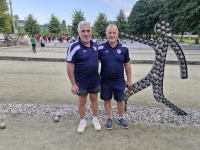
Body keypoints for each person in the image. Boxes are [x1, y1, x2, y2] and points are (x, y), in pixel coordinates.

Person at [66, 21, 101, 134]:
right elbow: (69, 66)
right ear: (79, 32)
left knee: (94, 100)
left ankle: (95, 119)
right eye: (83, 31)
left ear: (91, 32)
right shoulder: (74, 46)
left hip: (95, 80)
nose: (86, 34)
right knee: (82, 101)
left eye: (88, 31)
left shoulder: (95, 44)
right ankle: (82, 121)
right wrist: (73, 84)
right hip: (81, 82)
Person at [98, 24, 132, 129]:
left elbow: (127, 65)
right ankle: (109, 118)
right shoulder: (100, 48)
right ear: (106, 34)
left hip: (119, 80)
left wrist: (129, 80)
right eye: (109, 33)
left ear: (117, 33)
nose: (112, 35)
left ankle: (120, 117)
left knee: (120, 100)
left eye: (114, 33)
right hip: (105, 80)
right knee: (107, 100)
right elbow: (93, 62)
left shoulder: (124, 48)